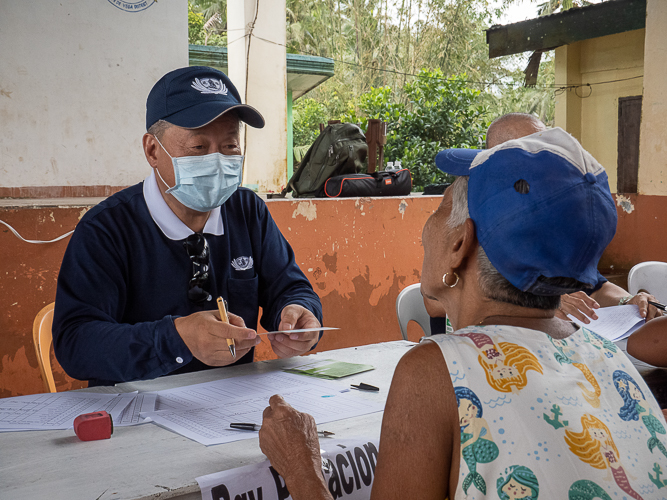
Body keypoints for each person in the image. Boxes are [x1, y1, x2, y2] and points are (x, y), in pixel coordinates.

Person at [257, 128, 667, 499]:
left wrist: (301, 468)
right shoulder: (610, 357)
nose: (427, 226)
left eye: (439, 209)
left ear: (459, 245)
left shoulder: (436, 370)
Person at [52, 66, 323, 386]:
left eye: (230, 146)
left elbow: (290, 287)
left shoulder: (247, 212)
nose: (218, 160)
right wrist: (175, 338)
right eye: (198, 147)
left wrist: (298, 312)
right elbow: (77, 343)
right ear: (153, 150)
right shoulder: (107, 230)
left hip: (233, 406)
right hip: (135, 412)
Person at [428, 113, 659, 333]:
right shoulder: (476, 213)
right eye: (531, 149)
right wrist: (541, 302)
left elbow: (596, 287)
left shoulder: (549, 220)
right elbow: (434, 299)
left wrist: (628, 302)